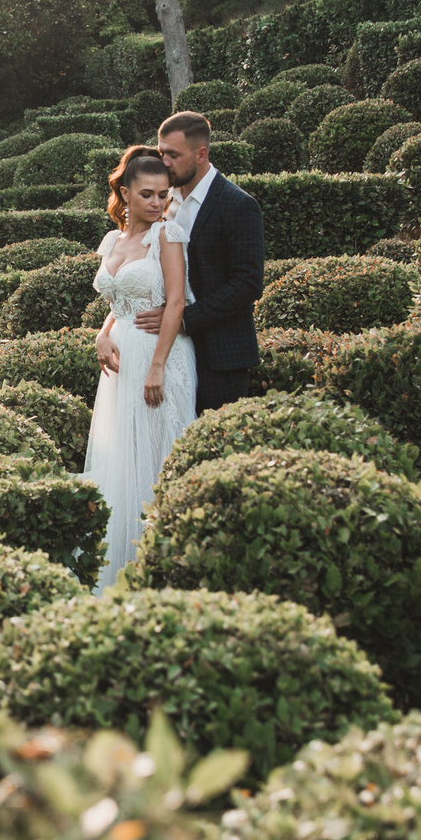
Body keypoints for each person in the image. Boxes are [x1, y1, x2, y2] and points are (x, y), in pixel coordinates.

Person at [84, 146, 198, 589]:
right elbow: (118, 302)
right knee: (124, 458)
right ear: (125, 194)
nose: (157, 203)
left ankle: (164, 570)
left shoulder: (167, 236)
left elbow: (174, 301)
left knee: (155, 456)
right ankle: (123, 566)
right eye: (147, 194)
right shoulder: (114, 240)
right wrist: (101, 333)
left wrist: (156, 367)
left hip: (160, 360)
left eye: (164, 195)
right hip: (119, 365)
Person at [125, 111, 265, 415]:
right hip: (162, 352)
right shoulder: (162, 203)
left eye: (173, 155)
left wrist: (184, 318)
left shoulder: (238, 205)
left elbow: (248, 283)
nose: (164, 162)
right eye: (162, 153)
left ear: (201, 154)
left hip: (220, 355)